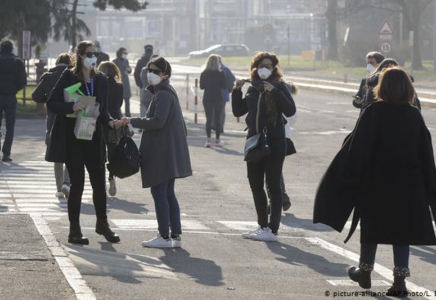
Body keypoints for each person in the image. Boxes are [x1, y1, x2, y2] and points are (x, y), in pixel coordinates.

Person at [314, 67, 436, 296]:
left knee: (371, 228)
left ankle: (365, 271)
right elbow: (426, 153)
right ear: (409, 89)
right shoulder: (414, 115)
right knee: (403, 232)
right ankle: (400, 281)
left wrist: (349, 179)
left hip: (376, 184)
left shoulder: (373, 112)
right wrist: (430, 186)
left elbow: (358, 149)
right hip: (409, 185)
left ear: (383, 87)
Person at [47, 40, 121, 245]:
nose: (93, 58)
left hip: (94, 137)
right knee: (77, 184)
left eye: (95, 54)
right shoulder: (68, 76)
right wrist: (72, 107)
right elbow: (52, 103)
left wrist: (112, 122)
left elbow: (103, 110)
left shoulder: (101, 80)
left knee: (99, 183)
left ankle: (102, 224)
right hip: (73, 139)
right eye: (89, 54)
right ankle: (74, 230)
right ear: (79, 56)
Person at [118, 56, 192, 248]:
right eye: (148, 70)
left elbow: (158, 121)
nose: (150, 74)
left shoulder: (164, 94)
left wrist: (131, 120)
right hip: (167, 150)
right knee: (167, 193)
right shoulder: (165, 91)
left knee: (159, 192)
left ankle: (164, 236)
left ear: (165, 74)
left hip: (162, 151)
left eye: (155, 71)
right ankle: (175, 235)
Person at [232, 52, 296, 242]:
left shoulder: (280, 86)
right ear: (255, 67)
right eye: (262, 65)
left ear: (274, 68)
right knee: (254, 183)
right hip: (254, 140)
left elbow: (290, 110)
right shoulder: (253, 87)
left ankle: (273, 229)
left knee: (273, 185)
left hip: (275, 140)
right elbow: (238, 110)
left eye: (269, 66)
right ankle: (262, 225)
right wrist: (236, 90)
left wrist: (274, 91)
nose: (265, 69)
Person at [32, 53, 72, 198]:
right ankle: (68, 183)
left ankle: (59, 188)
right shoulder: (73, 75)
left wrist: (49, 100)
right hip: (71, 116)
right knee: (70, 152)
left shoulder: (48, 76)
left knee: (57, 153)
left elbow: (35, 96)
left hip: (53, 118)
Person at [97, 61, 124, 197]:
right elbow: (119, 104)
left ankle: (100, 182)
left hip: (100, 121)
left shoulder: (98, 84)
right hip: (114, 122)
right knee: (112, 151)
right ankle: (111, 177)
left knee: (100, 152)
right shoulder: (119, 86)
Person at [0, 40, 26, 162]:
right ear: (11, 49)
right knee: (10, 127)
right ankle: (6, 153)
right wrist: (14, 89)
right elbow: (22, 81)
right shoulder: (17, 62)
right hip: (10, 96)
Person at [200, 54, 227, 147]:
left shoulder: (204, 73)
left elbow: (201, 86)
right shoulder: (220, 73)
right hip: (218, 98)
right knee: (218, 118)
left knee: (209, 119)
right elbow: (224, 85)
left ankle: (208, 140)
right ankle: (217, 140)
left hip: (207, 97)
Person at [213, 56, 235, 134]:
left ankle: (215, 125)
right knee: (221, 111)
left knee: (214, 110)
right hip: (224, 94)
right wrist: (229, 90)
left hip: (214, 94)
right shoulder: (226, 69)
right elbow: (232, 80)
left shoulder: (212, 69)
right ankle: (220, 127)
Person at [113, 47, 132, 117]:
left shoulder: (126, 61)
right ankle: (119, 114)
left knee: (127, 99)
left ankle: (128, 115)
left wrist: (128, 70)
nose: (125, 55)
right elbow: (113, 71)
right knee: (118, 99)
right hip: (118, 81)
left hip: (126, 81)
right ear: (120, 53)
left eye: (126, 53)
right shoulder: (115, 61)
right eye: (124, 53)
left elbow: (130, 70)